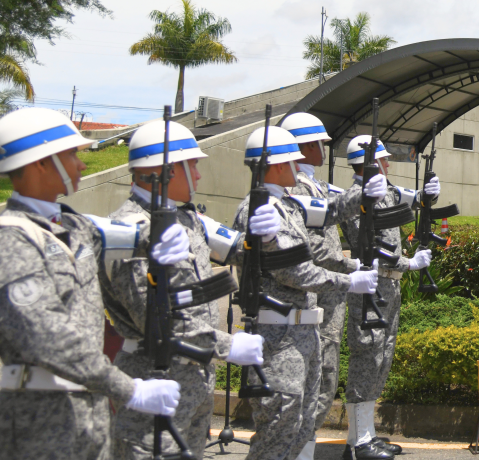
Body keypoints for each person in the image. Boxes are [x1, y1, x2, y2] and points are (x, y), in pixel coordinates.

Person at [0, 108, 181, 460]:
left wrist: (161, 235)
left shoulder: (73, 225)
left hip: (88, 413)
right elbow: (47, 339)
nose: (81, 165)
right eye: (72, 155)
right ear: (41, 162)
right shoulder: (12, 242)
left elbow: (125, 235)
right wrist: (128, 389)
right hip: (38, 421)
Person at [104, 119, 267, 460]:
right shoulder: (129, 232)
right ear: (162, 170)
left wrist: (261, 235)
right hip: (154, 374)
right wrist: (228, 345)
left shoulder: (189, 219)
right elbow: (154, 317)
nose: (197, 175)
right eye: (190, 165)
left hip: (197, 377)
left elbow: (239, 251)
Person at [232, 125, 381, 460]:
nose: (296, 164)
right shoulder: (260, 211)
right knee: (277, 430)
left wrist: (363, 193)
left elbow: (328, 212)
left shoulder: (286, 205)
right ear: (273, 165)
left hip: (302, 332)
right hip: (278, 335)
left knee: (300, 424)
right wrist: (346, 281)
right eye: (289, 160)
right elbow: (292, 271)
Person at [278, 113, 370, 457]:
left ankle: (303, 448)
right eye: (318, 143)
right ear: (301, 147)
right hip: (318, 293)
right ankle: (300, 450)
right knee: (316, 378)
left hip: (329, 294)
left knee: (325, 374)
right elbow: (312, 248)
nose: (322, 150)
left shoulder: (314, 184)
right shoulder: (297, 189)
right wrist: (348, 268)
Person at [339, 135, 434, 460]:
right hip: (371, 287)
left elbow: (411, 199)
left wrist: (427, 193)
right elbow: (372, 249)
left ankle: (367, 435)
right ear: (368, 164)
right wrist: (410, 263)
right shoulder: (355, 199)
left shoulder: (388, 191)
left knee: (383, 359)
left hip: (390, 289)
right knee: (367, 359)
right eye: (382, 159)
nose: (388, 163)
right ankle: (357, 443)